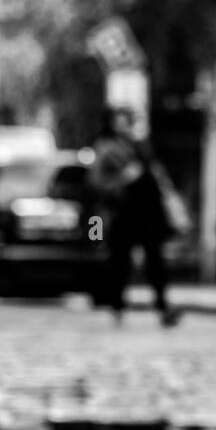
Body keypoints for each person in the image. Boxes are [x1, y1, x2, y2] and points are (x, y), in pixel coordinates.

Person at [89, 107, 181, 325]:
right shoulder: (105, 149)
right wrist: (124, 179)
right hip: (122, 213)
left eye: (127, 122)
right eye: (119, 122)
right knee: (120, 262)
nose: (124, 127)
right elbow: (96, 182)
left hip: (147, 212)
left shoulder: (141, 147)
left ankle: (163, 307)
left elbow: (156, 175)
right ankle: (117, 305)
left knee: (155, 261)